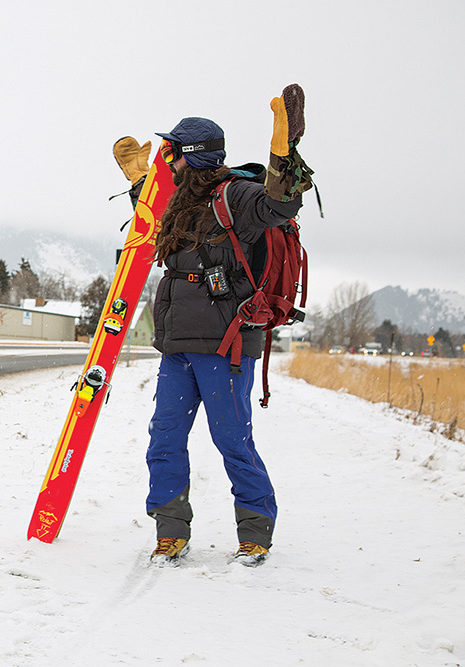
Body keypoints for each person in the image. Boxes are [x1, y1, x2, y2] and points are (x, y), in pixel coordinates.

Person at [133, 87, 310, 568]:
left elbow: (280, 204)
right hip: (178, 345)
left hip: (225, 344)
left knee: (232, 438)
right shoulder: (181, 203)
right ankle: (170, 533)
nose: (167, 160)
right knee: (164, 437)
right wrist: (140, 187)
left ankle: (255, 533)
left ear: (190, 157)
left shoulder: (238, 195)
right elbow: (157, 228)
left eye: (171, 152)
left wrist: (283, 153)